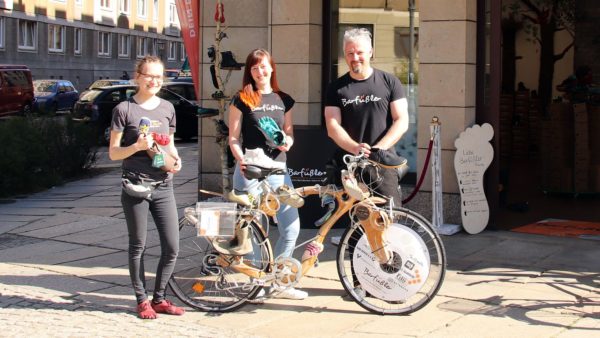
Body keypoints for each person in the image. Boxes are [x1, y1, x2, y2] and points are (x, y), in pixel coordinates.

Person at [227, 48, 307, 300]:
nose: (260, 72)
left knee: (291, 227)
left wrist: (288, 143)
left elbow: (289, 133)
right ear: (249, 72)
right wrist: (240, 160)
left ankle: (280, 281)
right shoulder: (242, 98)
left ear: (272, 68)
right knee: (253, 229)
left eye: (263, 66)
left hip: (277, 171)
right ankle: (258, 283)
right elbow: (233, 137)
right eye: (254, 67)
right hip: (249, 171)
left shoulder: (284, 99)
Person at [108, 56, 185, 319]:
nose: (154, 81)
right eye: (149, 76)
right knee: (138, 245)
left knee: (172, 246)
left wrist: (176, 160)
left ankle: (160, 298)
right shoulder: (124, 109)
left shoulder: (167, 108)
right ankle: (142, 300)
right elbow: (114, 153)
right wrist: (137, 147)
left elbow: (170, 145)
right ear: (138, 76)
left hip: (164, 185)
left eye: (159, 77)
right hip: (136, 186)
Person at [324, 27, 409, 207]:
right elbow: (332, 126)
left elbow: (402, 120)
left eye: (360, 52)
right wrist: (355, 148)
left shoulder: (390, 82)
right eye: (350, 53)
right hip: (349, 165)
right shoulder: (336, 88)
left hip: (383, 165)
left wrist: (379, 149)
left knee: (388, 217)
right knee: (355, 223)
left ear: (370, 52)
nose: (355, 58)